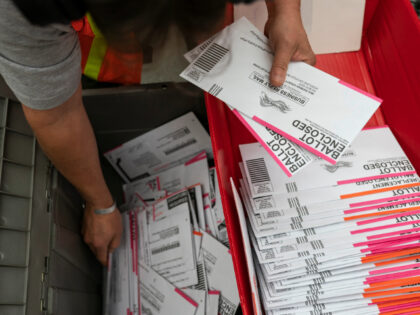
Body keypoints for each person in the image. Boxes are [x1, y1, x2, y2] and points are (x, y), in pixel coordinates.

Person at [0, 0, 315, 266]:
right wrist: (101, 203)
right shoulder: (21, 8)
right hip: (96, 60)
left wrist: (285, 12)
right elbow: (57, 116)